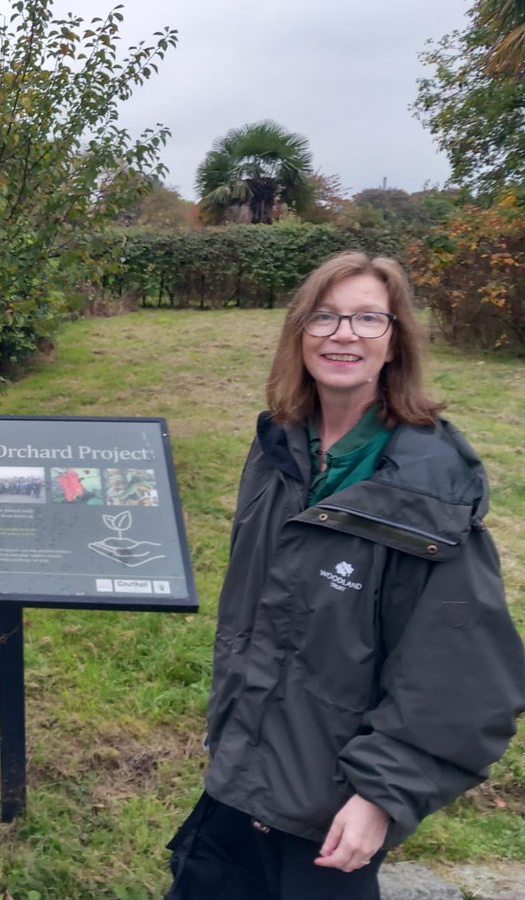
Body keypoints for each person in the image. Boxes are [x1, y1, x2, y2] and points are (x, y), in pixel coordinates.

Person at [166, 251, 525, 900]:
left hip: (329, 818)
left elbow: (467, 681)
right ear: (299, 333)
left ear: (396, 342)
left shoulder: (425, 493)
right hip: (239, 780)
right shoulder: (277, 450)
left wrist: (381, 795)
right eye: (325, 317)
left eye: (367, 318)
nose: (343, 334)